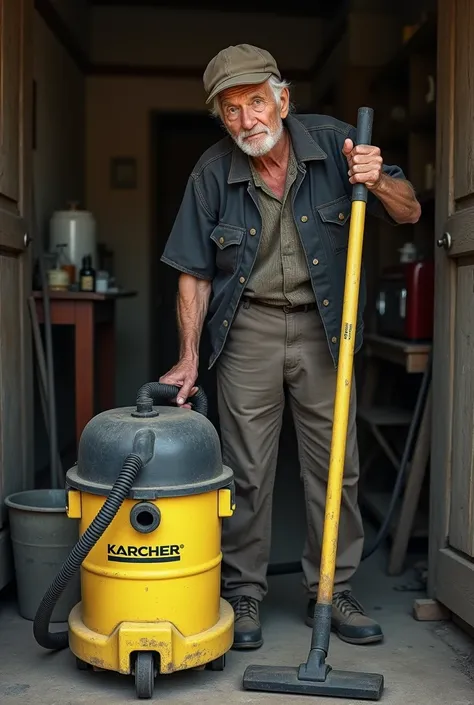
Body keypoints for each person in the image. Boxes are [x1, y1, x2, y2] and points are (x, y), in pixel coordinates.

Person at [159, 44, 421, 651]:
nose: (249, 119)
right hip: (248, 325)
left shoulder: (337, 145)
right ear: (221, 119)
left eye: (257, 101)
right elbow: (193, 272)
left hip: (327, 326)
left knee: (337, 466)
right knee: (246, 470)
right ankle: (245, 591)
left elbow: (408, 213)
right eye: (232, 110)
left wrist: (376, 178)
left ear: (283, 98)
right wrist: (189, 355)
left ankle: (335, 588)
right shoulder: (210, 173)